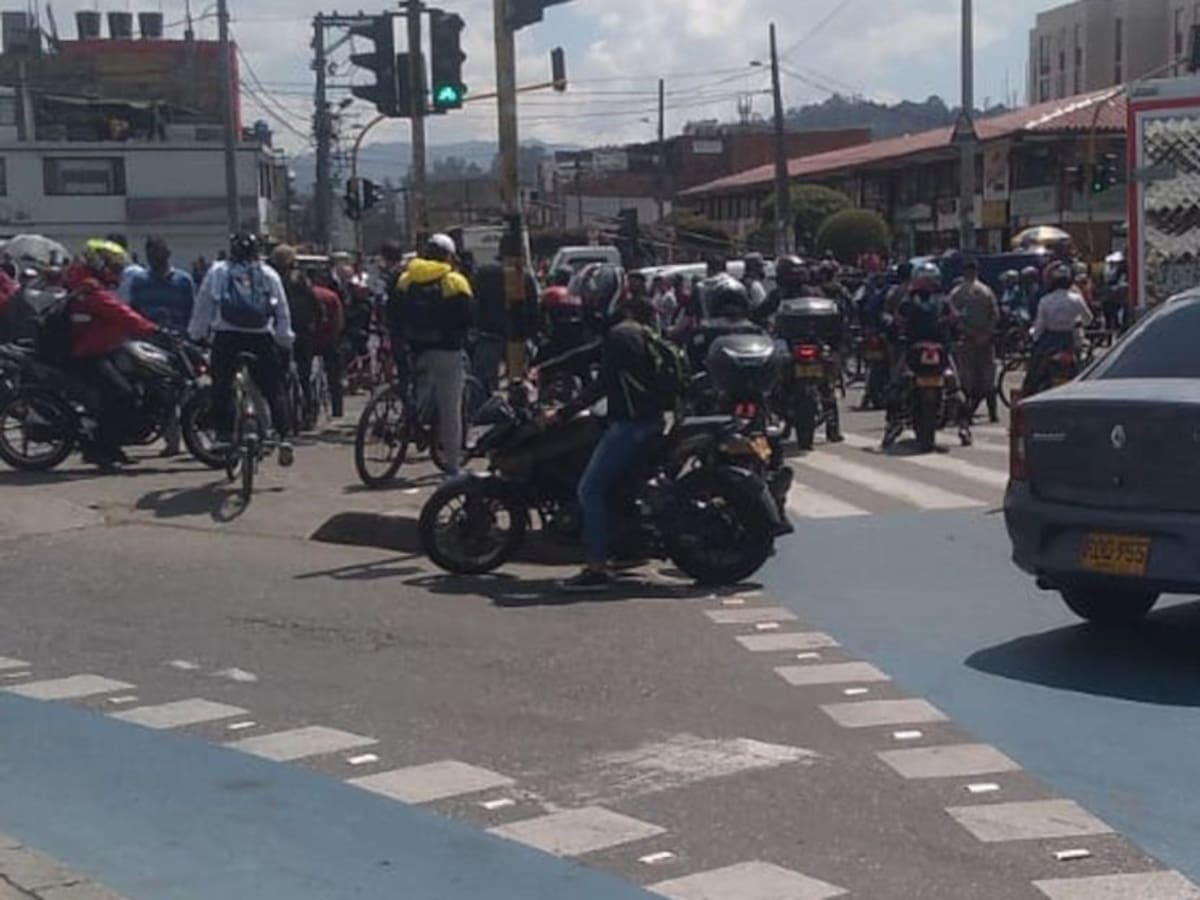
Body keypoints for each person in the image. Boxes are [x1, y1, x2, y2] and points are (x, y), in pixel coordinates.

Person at [555, 269, 679, 592]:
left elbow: (603, 384)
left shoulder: (620, 335)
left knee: (589, 490)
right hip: (649, 419)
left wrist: (561, 413)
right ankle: (627, 547)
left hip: (631, 424)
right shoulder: (633, 331)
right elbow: (592, 354)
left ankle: (596, 566)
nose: (588, 305)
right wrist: (548, 367)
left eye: (593, 299)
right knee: (617, 487)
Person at [188, 233, 295, 466]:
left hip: (227, 337)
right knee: (273, 389)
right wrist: (284, 340)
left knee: (222, 385)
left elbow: (204, 305)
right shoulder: (268, 274)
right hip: (261, 338)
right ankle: (285, 437)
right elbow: (282, 311)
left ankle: (224, 435)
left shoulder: (218, 271)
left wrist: (196, 334)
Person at [63, 241, 159, 467]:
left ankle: (113, 446)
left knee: (131, 385)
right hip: (88, 352)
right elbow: (117, 311)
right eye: (113, 266)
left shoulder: (87, 282)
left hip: (102, 347)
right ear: (99, 263)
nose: (116, 271)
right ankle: (100, 448)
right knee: (121, 395)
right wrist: (150, 328)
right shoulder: (88, 286)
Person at [391, 233, 474, 478]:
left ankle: (412, 422)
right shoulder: (454, 281)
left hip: (414, 349)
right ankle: (452, 467)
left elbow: (393, 312)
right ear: (449, 256)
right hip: (447, 350)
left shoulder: (405, 279)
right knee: (451, 409)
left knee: (419, 389)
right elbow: (468, 318)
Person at [126, 236, 197, 457]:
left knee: (187, 392)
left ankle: (193, 438)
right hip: (150, 346)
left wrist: (190, 338)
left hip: (179, 344)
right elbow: (134, 312)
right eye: (152, 253)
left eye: (160, 252)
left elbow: (191, 312)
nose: (156, 257)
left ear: (168, 253)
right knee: (159, 394)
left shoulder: (183, 281)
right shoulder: (140, 281)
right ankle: (172, 441)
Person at [1022, 260, 1093, 397]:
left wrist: (1035, 339)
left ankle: (1028, 397)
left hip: (1049, 343)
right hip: (1070, 341)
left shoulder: (1046, 300)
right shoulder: (1076, 298)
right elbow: (1088, 319)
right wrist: (1076, 323)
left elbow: (1040, 326)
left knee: (1034, 373)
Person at [269, 244, 320, 429]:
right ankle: (309, 409)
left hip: (279, 331)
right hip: (302, 330)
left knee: (280, 377)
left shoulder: (272, 278)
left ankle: (283, 417)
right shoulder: (301, 279)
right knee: (304, 375)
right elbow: (314, 301)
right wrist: (317, 321)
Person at [949, 259, 1000, 424]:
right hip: (985, 340)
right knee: (988, 377)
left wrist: (970, 333)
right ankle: (993, 414)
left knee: (966, 378)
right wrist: (986, 333)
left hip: (966, 341)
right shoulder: (987, 291)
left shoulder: (956, 293)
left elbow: (954, 319)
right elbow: (995, 315)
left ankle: (966, 415)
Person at [310, 268, 346, 418]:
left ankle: (308, 407)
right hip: (329, 340)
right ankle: (337, 409)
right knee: (334, 376)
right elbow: (339, 321)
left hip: (309, 339)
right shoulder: (332, 296)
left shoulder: (307, 293)